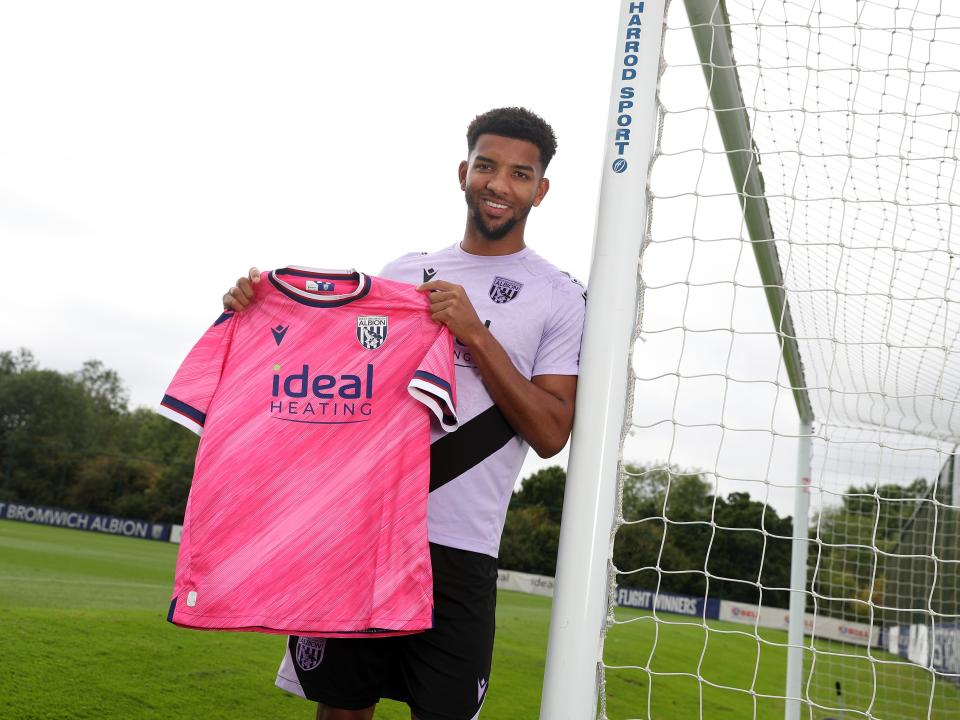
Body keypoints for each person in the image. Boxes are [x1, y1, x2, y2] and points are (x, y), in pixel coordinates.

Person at [221, 107, 586, 720]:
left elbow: (551, 432)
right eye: (487, 166)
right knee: (341, 710)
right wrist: (259, 311)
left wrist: (474, 332)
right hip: (365, 531)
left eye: (520, 174)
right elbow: (338, 380)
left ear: (540, 190)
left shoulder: (559, 296)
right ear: (463, 172)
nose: (500, 184)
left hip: (461, 550)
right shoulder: (402, 275)